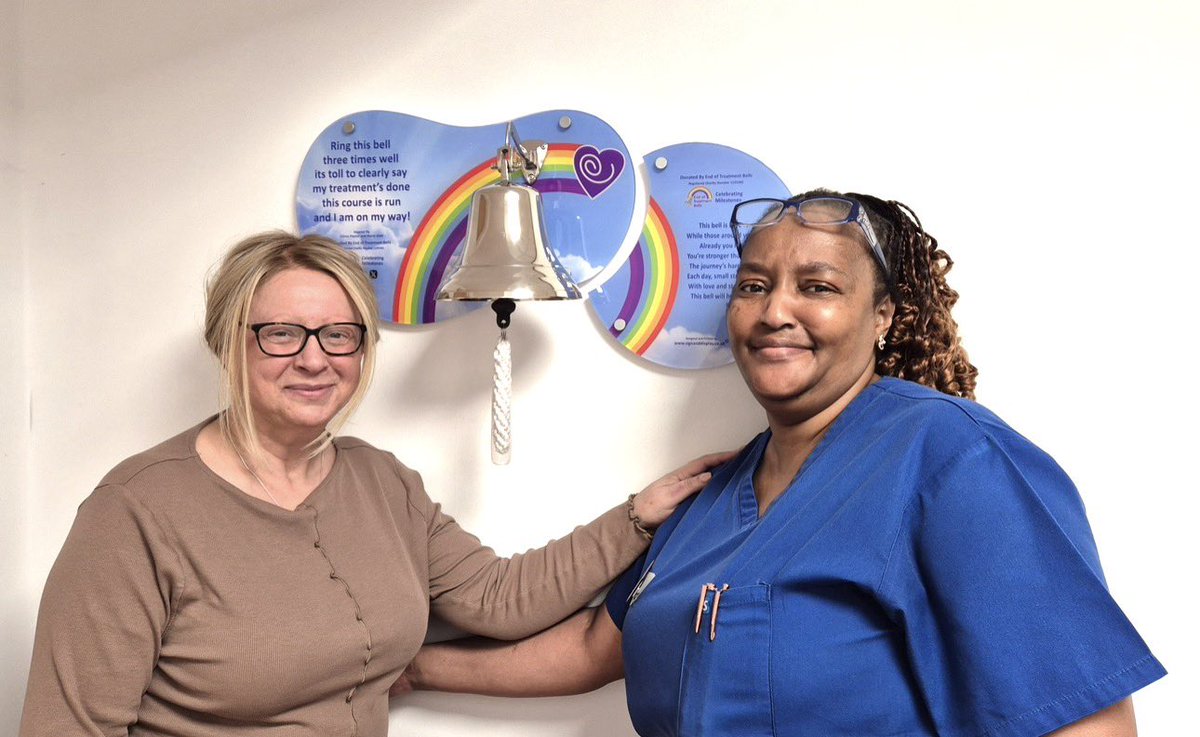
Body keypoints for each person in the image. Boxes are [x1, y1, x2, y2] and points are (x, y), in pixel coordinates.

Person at [397, 191, 1166, 736]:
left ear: (884, 317)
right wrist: (415, 668)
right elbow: (600, 645)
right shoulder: (712, 492)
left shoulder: (952, 457)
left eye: (818, 287)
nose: (773, 312)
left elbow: (1086, 719)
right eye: (754, 286)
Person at [19, 230, 729, 737]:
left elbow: (498, 597)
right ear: (228, 341)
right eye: (281, 333)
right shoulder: (136, 510)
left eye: (340, 334)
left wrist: (639, 514)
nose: (314, 358)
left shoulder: (379, 479)